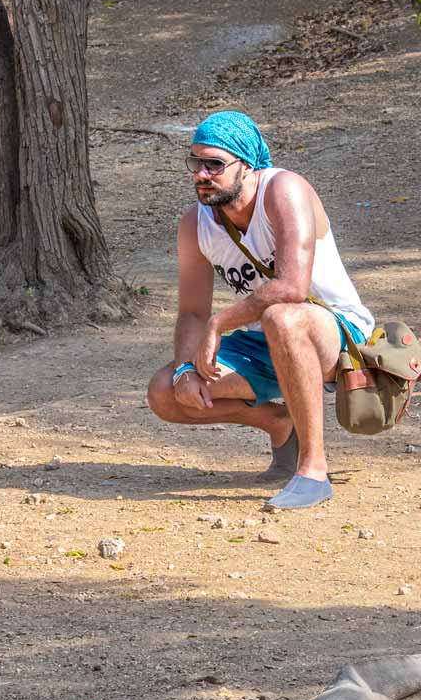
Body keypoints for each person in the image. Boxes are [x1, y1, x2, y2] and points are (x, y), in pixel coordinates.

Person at [147, 109, 374, 511]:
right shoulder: (195, 224)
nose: (201, 174)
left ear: (246, 165)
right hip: (264, 343)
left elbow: (291, 288)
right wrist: (185, 369)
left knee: (282, 315)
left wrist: (221, 322)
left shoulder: (284, 189)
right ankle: (278, 423)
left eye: (214, 164)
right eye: (195, 163)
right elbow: (192, 314)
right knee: (165, 393)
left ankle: (313, 471)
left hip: (335, 336)